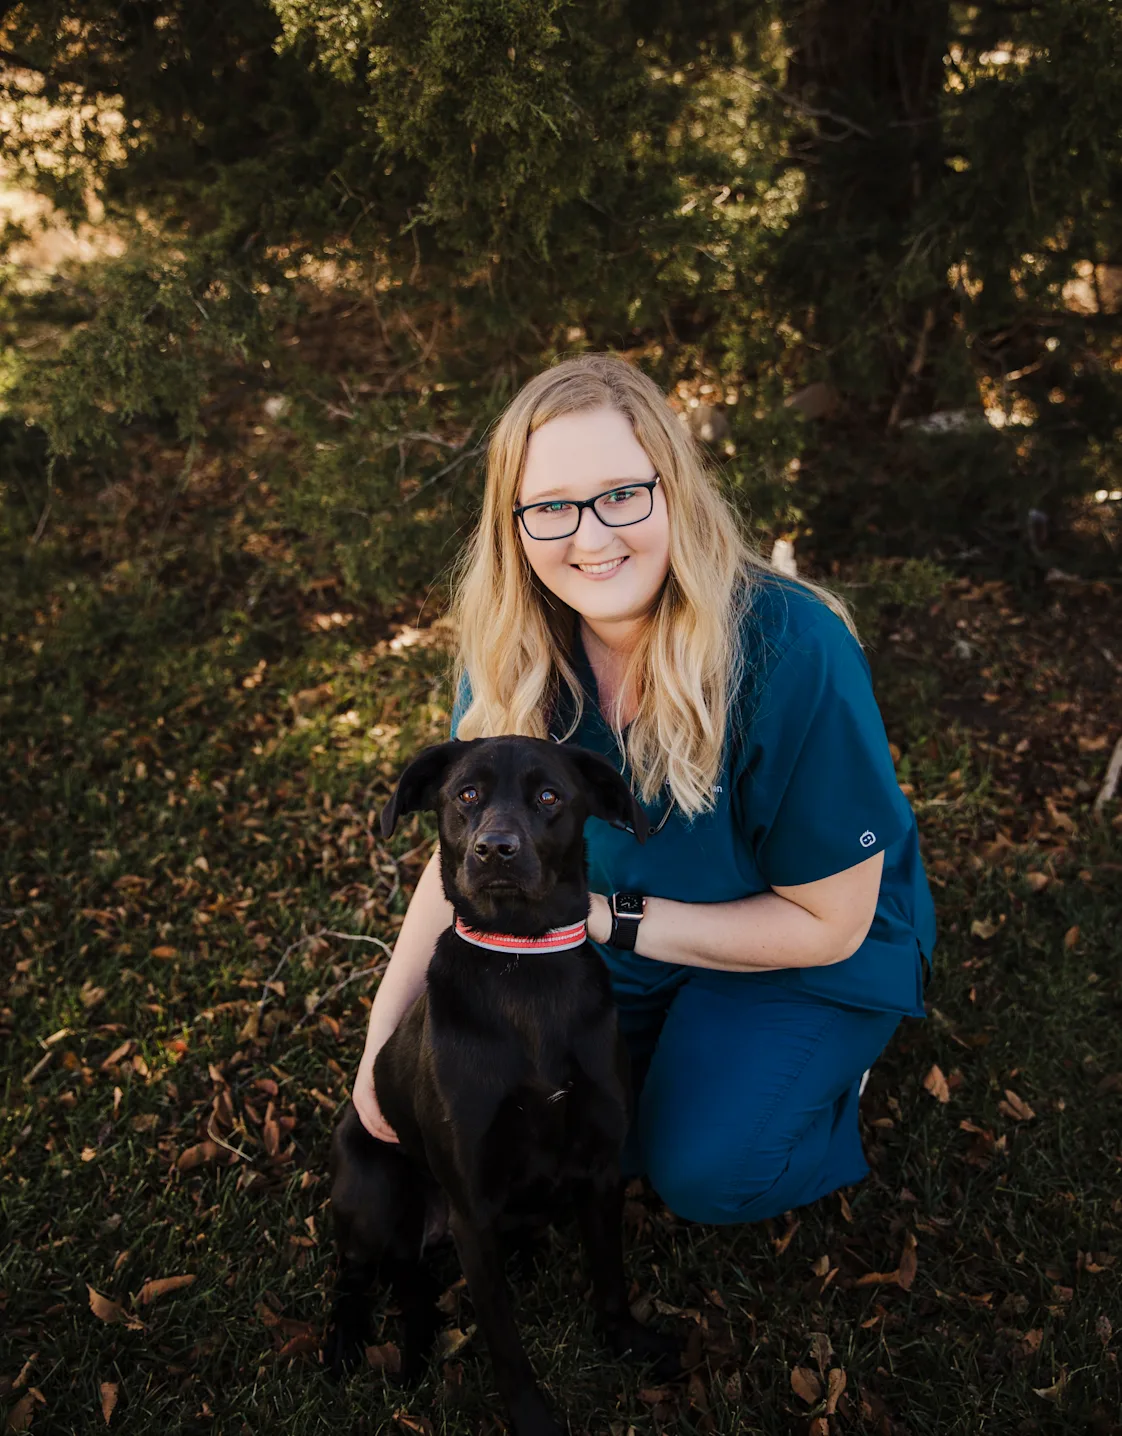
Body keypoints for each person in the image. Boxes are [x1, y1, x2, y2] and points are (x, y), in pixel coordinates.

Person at [350, 354, 936, 1226]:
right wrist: (381, 1043)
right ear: (514, 524)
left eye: (622, 494)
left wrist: (606, 921)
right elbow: (461, 865)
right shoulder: (514, 650)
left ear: (675, 491)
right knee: (553, 1144)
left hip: (799, 943)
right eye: (551, 506)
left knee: (705, 1171)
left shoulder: (793, 648)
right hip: (625, 936)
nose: (591, 538)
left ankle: (829, 1079)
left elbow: (832, 921)